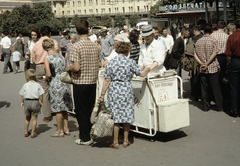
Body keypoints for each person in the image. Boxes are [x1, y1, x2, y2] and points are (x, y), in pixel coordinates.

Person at [98, 35, 150, 149]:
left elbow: (107, 80)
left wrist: (102, 95)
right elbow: (141, 74)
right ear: (127, 51)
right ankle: (126, 140)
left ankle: (115, 142)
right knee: (127, 116)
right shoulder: (130, 62)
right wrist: (149, 68)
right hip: (126, 89)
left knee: (115, 117)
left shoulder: (111, 63)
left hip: (114, 90)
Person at [66, 20, 101, 145]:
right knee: (90, 110)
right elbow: (99, 63)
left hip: (80, 82)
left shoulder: (77, 46)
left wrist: (69, 67)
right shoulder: (95, 46)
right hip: (92, 81)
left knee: (81, 111)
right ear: (88, 30)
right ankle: (91, 134)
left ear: (76, 31)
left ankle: (85, 137)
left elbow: (76, 68)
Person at [43, 39, 72, 137]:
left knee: (58, 108)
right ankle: (66, 128)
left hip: (55, 83)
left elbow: (49, 74)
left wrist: (45, 78)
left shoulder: (47, 58)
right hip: (64, 82)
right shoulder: (60, 56)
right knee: (64, 107)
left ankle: (60, 130)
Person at [32, 25, 59, 123]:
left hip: (39, 67)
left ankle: (47, 114)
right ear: (50, 33)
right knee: (55, 87)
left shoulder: (36, 44)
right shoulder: (54, 42)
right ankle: (57, 109)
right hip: (52, 66)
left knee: (44, 91)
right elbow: (57, 53)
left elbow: (33, 60)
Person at [194, 23, 223, 112]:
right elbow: (215, 53)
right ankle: (219, 106)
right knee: (216, 87)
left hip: (202, 68)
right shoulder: (213, 40)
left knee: (204, 88)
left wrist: (202, 63)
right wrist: (207, 63)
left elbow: (194, 54)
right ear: (211, 31)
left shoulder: (198, 41)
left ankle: (205, 106)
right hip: (212, 66)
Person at [19, 69, 44, 138]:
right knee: (34, 118)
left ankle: (26, 132)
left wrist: (22, 102)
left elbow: (23, 95)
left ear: (27, 77)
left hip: (27, 102)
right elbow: (41, 94)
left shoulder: (25, 85)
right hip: (35, 102)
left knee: (27, 118)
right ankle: (33, 133)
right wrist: (41, 102)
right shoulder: (38, 85)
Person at [210, 21, 229, 103]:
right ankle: (224, 96)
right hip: (223, 57)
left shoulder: (212, 35)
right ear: (224, 27)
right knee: (223, 77)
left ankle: (215, 97)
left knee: (214, 78)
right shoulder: (227, 36)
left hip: (214, 57)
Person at [225, 19, 240, 117]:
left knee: (234, 87)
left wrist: (228, 65)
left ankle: (234, 109)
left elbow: (228, 54)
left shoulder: (231, 37)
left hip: (235, 61)